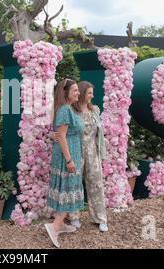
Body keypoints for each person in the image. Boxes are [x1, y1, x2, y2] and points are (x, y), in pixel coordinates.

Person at [51, 81, 108, 232]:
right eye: (89, 93)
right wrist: (53, 135)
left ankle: (100, 218)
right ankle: (74, 217)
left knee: (96, 184)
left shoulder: (95, 110)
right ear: (82, 93)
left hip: (92, 152)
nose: (92, 96)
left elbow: (99, 134)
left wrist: (101, 152)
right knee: (74, 185)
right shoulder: (70, 110)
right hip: (75, 151)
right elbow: (61, 131)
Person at [45, 79, 85, 248]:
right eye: (75, 90)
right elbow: (61, 136)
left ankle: (60, 224)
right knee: (67, 187)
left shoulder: (66, 109)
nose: (78, 93)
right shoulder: (65, 110)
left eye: (78, 90)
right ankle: (54, 226)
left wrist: (53, 136)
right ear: (65, 92)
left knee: (68, 187)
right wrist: (69, 160)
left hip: (70, 152)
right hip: (67, 155)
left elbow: (56, 133)